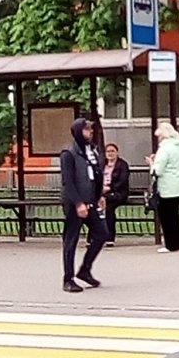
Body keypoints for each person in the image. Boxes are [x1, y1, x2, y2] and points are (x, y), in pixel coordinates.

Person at [60, 117, 107, 292]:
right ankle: (68, 278)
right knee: (71, 240)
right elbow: (68, 182)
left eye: (91, 129)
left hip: (91, 201)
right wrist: (78, 203)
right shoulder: (69, 153)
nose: (91, 132)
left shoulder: (91, 150)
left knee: (102, 233)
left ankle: (85, 269)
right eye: (87, 130)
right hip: (75, 203)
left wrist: (99, 195)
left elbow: (95, 174)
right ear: (78, 131)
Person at [146, 120, 179, 253]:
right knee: (174, 216)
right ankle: (177, 243)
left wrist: (152, 163)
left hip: (167, 186)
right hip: (178, 185)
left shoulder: (165, 148)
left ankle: (170, 244)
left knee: (166, 216)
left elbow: (158, 170)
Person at [100, 143, 130, 245]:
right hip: (101, 193)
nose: (110, 153)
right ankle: (93, 237)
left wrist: (109, 188)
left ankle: (110, 237)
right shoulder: (102, 164)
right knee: (94, 208)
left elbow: (122, 181)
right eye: (108, 151)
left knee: (108, 208)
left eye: (112, 151)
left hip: (117, 193)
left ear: (117, 152)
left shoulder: (122, 165)